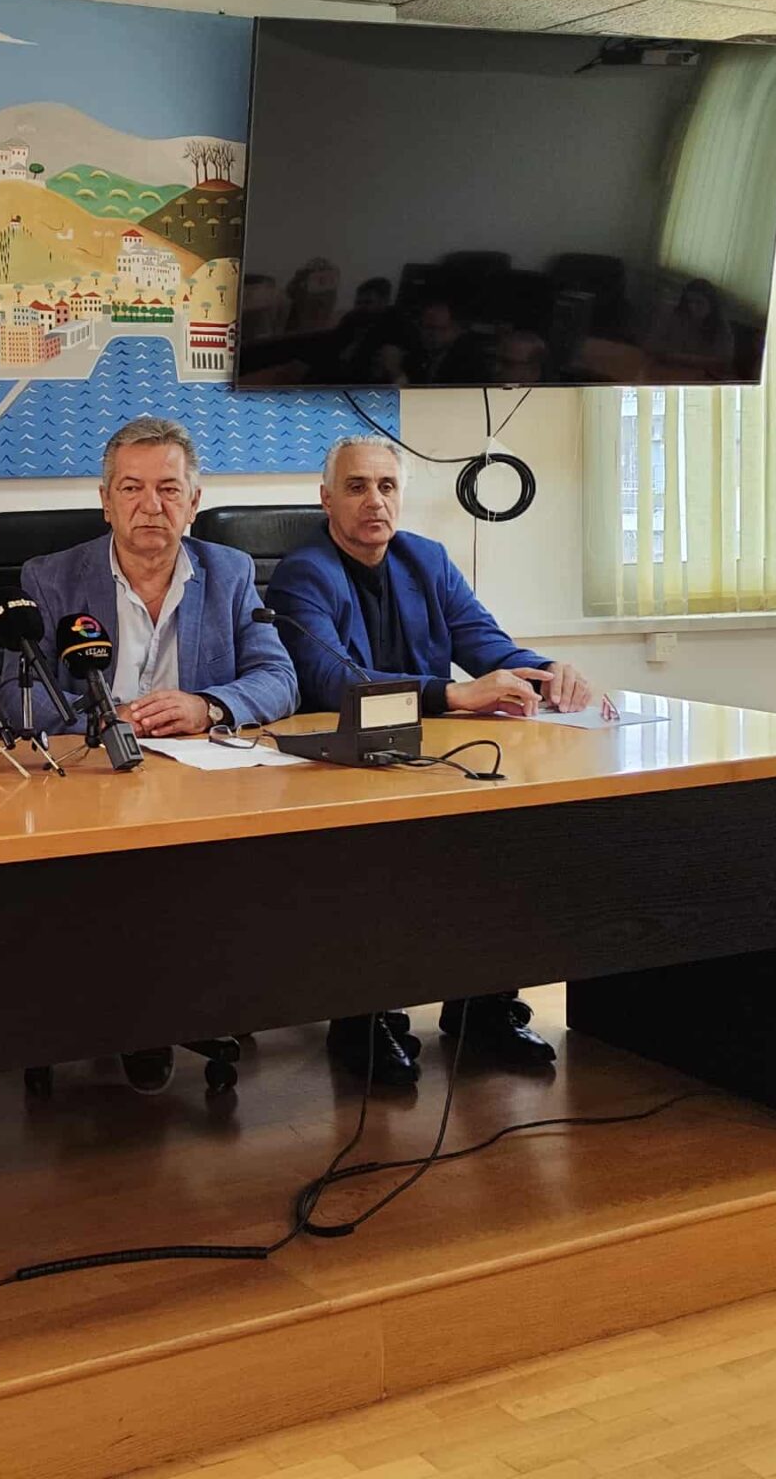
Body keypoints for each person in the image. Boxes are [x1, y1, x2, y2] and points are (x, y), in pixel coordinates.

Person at [267, 436, 601, 1088]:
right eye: (357, 487)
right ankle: (363, 1019)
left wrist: (545, 671)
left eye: (387, 486)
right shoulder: (304, 573)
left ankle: (482, 1007)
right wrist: (451, 694)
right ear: (326, 499)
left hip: (430, 759)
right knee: (373, 858)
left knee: (503, 827)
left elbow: (486, 645)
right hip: (342, 767)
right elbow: (333, 680)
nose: (375, 501)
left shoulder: (427, 560)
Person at [18, 416, 298, 1092]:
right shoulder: (51, 577)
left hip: (196, 784)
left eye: (169, 489)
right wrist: (98, 717)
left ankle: (173, 1005)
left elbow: (279, 677)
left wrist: (208, 705)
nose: (152, 506)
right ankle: (136, 1018)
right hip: (86, 786)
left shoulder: (229, 572)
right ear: (105, 500)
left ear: (194, 501)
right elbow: (12, 696)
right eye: (132, 488)